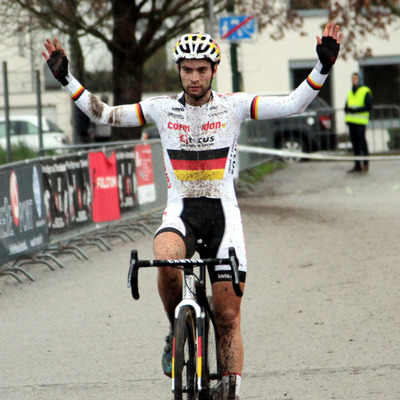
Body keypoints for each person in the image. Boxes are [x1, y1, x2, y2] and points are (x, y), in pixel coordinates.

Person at [42, 23, 342, 399]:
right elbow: (105, 114)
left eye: (202, 69)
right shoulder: (161, 108)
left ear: (214, 70)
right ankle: (174, 329)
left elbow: (292, 104)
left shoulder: (233, 106)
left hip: (223, 215)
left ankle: (229, 390)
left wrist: (323, 68)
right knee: (165, 260)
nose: (194, 77)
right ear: (179, 71)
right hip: (180, 211)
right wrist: (66, 78)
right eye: (187, 69)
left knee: (227, 315)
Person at [345, 72, 373, 173]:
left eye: (356, 79)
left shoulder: (365, 91)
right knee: (355, 144)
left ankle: (365, 163)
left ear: (360, 79)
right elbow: (347, 106)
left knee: (362, 143)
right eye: (352, 79)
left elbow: (369, 106)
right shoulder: (350, 92)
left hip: (360, 122)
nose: (354, 81)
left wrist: (355, 111)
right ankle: (357, 165)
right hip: (351, 122)